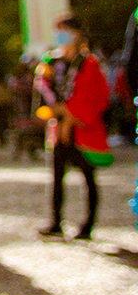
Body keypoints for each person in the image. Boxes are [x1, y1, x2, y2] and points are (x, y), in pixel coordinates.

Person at [35, 13, 110, 240]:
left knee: (88, 176)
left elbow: (94, 96)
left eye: (66, 31)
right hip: (56, 127)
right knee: (56, 175)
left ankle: (88, 225)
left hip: (82, 129)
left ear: (78, 34)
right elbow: (43, 90)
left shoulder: (88, 63)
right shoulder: (51, 61)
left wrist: (69, 116)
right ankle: (56, 221)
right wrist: (53, 110)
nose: (61, 36)